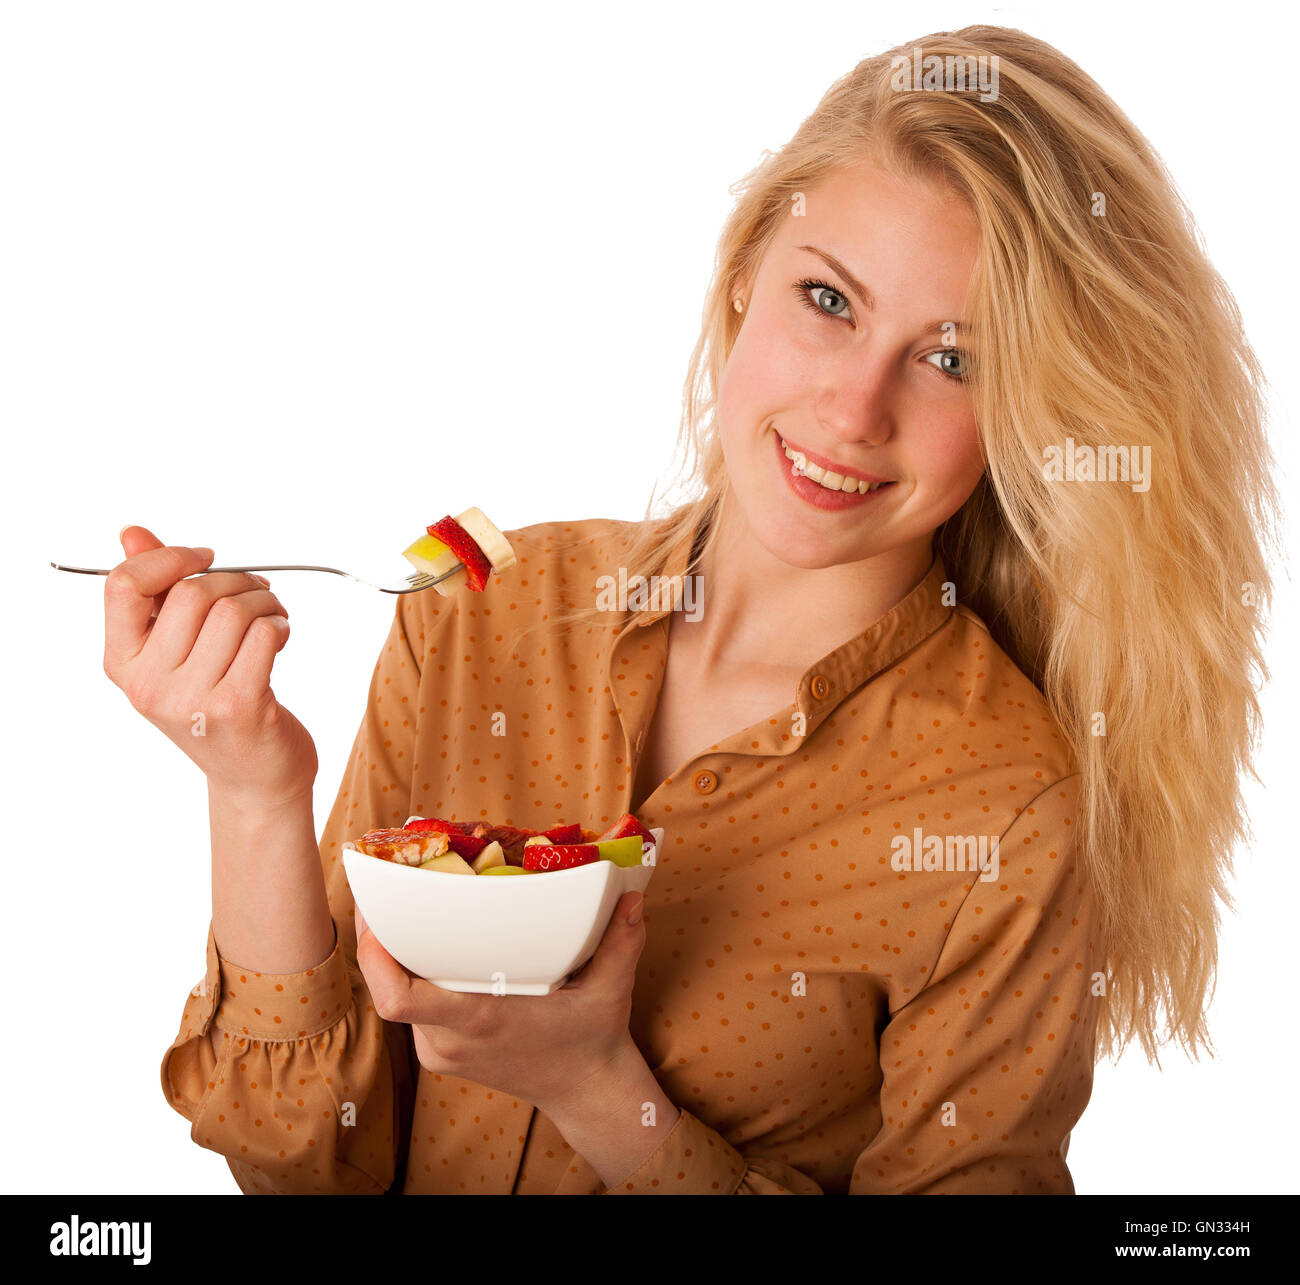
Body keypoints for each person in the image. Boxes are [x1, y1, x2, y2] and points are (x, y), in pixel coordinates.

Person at [103, 25, 1277, 1194]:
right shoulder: (479, 608)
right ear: (741, 281)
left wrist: (603, 1093)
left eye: (955, 360)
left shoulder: (1007, 811)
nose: (854, 408)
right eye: (828, 300)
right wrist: (252, 790)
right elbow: (308, 1167)